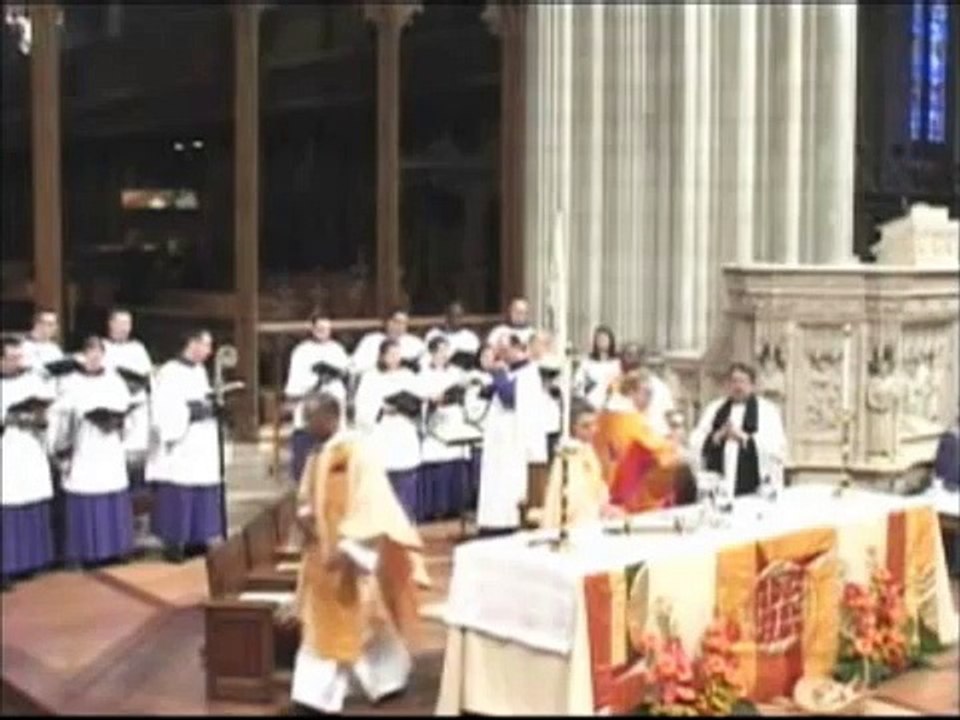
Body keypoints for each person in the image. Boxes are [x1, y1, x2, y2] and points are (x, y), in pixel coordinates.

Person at [288, 392, 431, 715]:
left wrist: (352, 548)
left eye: (311, 419)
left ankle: (377, 682)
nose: (307, 426)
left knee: (361, 621)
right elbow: (307, 496)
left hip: (351, 555)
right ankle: (322, 694)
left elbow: (374, 503)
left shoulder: (359, 452)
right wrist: (306, 518)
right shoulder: (317, 453)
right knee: (331, 624)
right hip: (319, 555)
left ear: (330, 417)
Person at [52, 336, 136, 568]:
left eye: (99, 353)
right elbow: (60, 412)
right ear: (83, 354)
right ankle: (82, 553)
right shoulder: (70, 382)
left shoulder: (114, 380)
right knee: (84, 492)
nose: (95, 357)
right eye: (91, 353)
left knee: (111, 489)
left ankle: (115, 549)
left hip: (109, 445)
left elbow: (126, 406)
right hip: (84, 445)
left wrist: (118, 420)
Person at [146, 329, 223, 563]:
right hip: (181, 443)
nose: (209, 352)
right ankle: (174, 543)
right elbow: (163, 408)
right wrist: (191, 412)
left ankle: (197, 539)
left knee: (201, 488)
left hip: (201, 442)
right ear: (192, 343)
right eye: (206, 346)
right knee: (180, 491)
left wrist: (213, 405)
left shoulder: (199, 371)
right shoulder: (169, 372)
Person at [476, 333, 546, 536]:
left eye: (504, 351)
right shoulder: (511, 372)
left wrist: (497, 374)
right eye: (499, 351)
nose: (501, 356)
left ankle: (508, 523)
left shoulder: (528, 373)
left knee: (509, 485)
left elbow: (510, 398)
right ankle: (493, 522)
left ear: (518, 349)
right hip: (499, 441)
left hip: (514, 443)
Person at [1, 336, 56, 590]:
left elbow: (48, 415)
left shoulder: (32, 380)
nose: (17, 362)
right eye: (11, 358)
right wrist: (8, 418)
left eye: (19, 357)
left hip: (30, 449)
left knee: (30, 501)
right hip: (6, 451)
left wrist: (39, 418)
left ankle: (28, 562)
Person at [689, 362, 787, 498]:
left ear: (752, 385)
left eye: (742, 381)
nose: (738, 386)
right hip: (720, 480)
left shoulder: (767, 411)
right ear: (727, 385)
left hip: (752, 484)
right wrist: (717, 436)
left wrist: (743, 437)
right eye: (733, 381)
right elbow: (695, 442)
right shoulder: (715, 409)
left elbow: (776, 446)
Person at [354, 339, 425, 522]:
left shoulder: (409, 376)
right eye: (391, 354)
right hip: (382, 433)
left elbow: (420, 401)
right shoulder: (370, 378)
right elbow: (362, 409)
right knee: (383, 485)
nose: (395, 358)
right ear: (382, 356)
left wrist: (411, 407)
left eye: (398, 354)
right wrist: (382, 409)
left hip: (404, 432)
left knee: (406, 483)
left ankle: (407, 524)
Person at [594, 370, 682, 513]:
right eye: (646, 393)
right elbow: (661, 453)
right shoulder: (632, 421)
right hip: (625, 490)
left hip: (604, 486)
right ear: (631, 392)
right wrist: (674, 440)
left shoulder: (603, 416)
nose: (650, 399)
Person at [284, 311, 350, 485]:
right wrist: (317, 380)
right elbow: (295, 383)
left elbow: (346, 372)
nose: (324, 332)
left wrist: (335, 376)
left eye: (327, 329)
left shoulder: (337, 349)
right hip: (310, 410)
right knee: (307, 469)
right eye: (320, 328)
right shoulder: (301, 351)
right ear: (312, 329)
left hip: (333, 411)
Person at [540, 402, 624, 530]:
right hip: (574, 524)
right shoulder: (568, 454)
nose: (593, 430)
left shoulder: (588, 451)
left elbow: (598, 486)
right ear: (573, 428)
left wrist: (606, 506)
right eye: (586, 426)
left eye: (594, 424)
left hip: (593, 518)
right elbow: (574, 499)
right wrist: (598, 510)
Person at [418, 336, 470, 521]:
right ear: (432, 353)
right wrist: (432, 400)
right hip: (436, 419)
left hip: (453, 416)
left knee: (455, 458)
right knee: (436, 459)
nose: (444, 355)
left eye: (447, 351)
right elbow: (420, 395)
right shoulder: (423, 373)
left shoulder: (456, 372)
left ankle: (454, 507)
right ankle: (435, 508)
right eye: (440, 351)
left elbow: (465, 389)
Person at [102, 307, 154, 489]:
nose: (124, 328)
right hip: (111, 408)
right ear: (110, 324)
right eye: (120, 323)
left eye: (127, 324)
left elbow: (148, 377)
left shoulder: (138, 348)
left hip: (137, 407)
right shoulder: (102, 348)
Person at [351, 308, 425, 376]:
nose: (400, 326)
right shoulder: (371, 341)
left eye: (404, 323)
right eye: (396, 321)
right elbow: (356, 366)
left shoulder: (415, 343)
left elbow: (425, 366)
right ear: (387, 322)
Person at [574, 325, 620, 410]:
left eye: (605, 339)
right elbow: (578, 383)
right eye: (599, 339)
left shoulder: (617, 363)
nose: (602, 342)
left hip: (612, 407)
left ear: (611, 341)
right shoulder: (587, 362)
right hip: (589, 405)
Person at [424, 300, 480, 371]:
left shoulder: (470, 337)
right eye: (452, 315)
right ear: (446, 316)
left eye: (459, 316)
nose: (456, 319)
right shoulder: (433, 334)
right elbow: (427, 357)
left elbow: (472, 361)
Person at [641, 350, 677, 439]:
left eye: (659, 366)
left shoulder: (663, 388)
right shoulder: (635, 385)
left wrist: (675, 433)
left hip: (659, 436)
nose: (655, 370)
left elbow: (670, 412)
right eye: (651, 367)